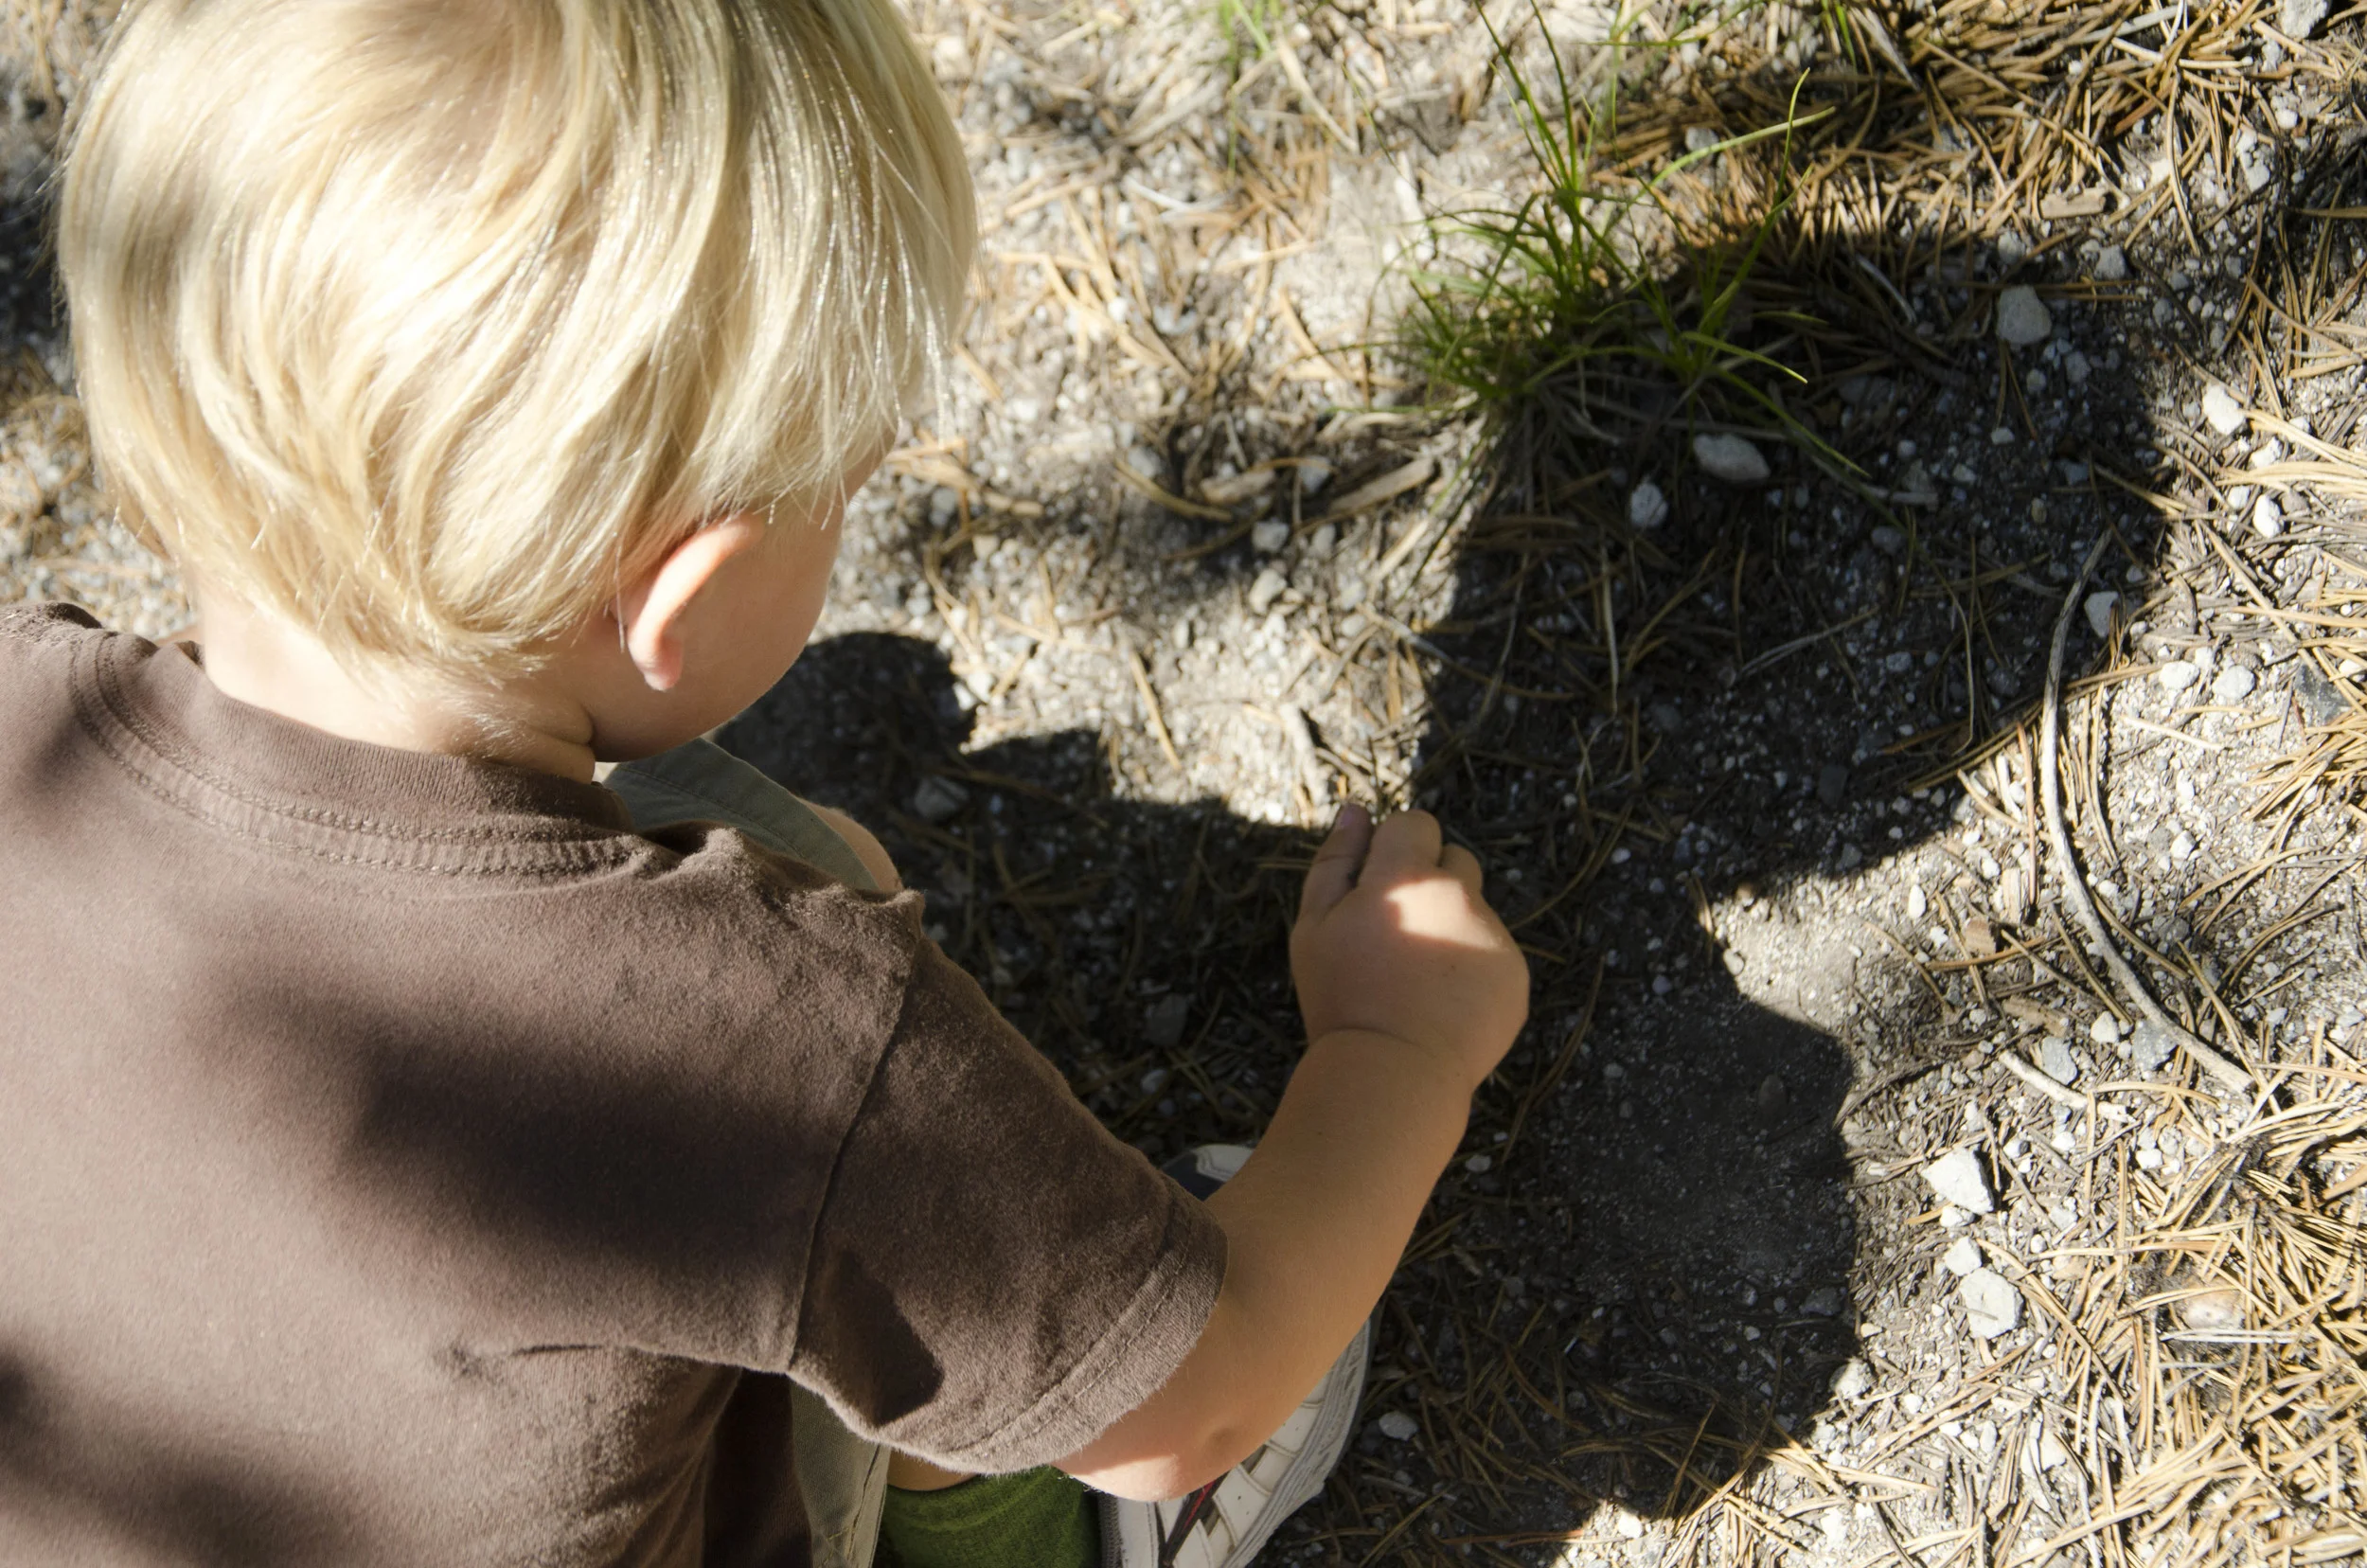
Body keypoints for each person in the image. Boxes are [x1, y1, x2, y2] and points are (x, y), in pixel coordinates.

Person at [0, 2, 1531, 1564]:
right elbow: (1184, 1411)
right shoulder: (773, 1041)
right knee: (942, 1228)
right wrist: (1399, 1049)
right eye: (847, 482)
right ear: (683, 593)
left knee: (808, 849)